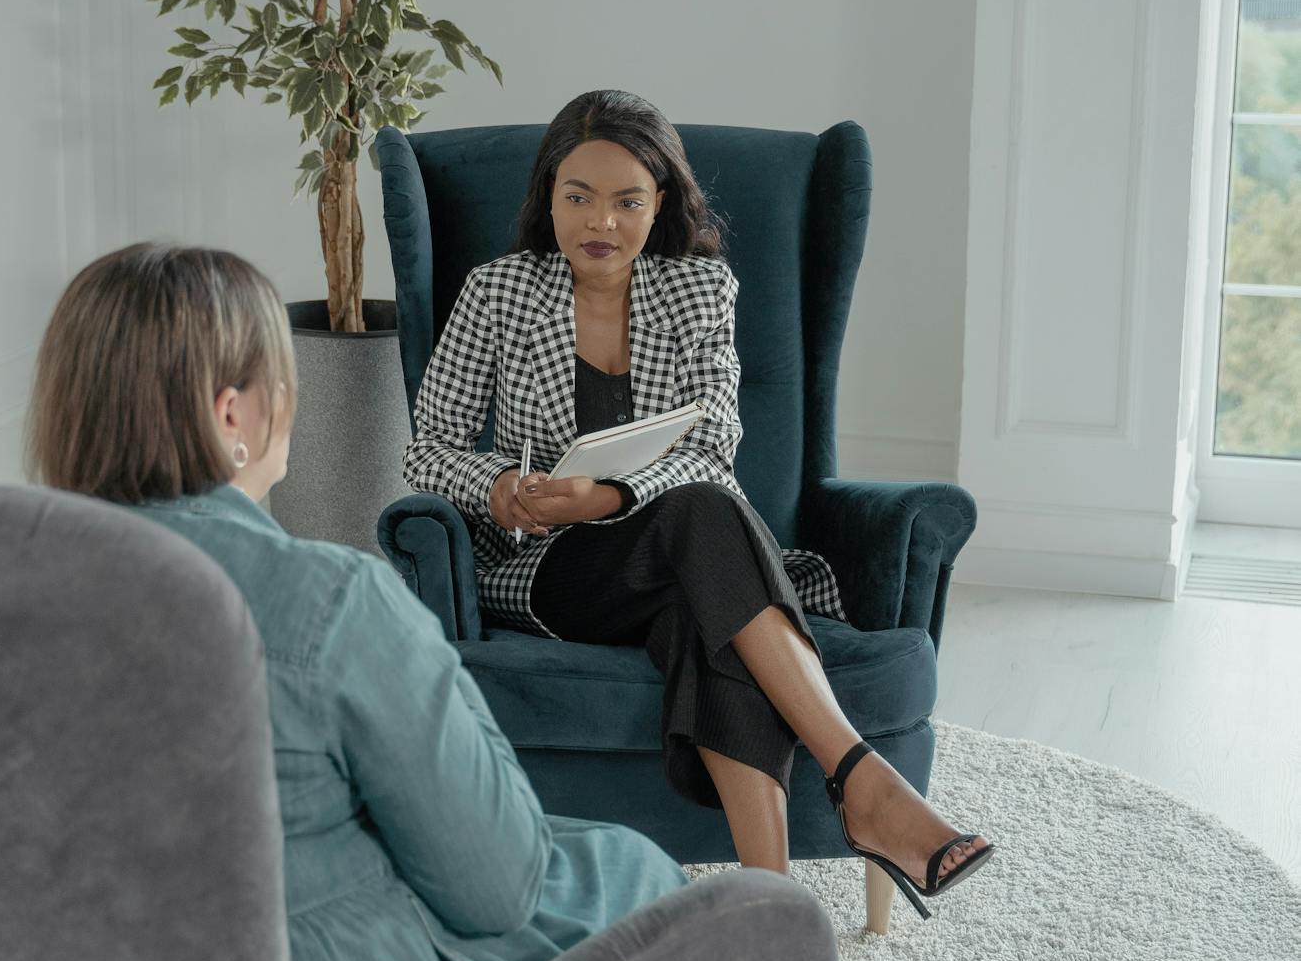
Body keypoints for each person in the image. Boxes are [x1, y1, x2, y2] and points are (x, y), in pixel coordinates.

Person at [26, 238, 886, 961]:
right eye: (281, 378)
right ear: (235, 415)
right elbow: (496, 887)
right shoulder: (323, 596)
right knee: (662, 890)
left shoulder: (6, 601)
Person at [402, 89, 992, 917]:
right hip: (549, 569)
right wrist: (501, 491)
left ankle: (766, 910)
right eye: (577, 197)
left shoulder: (698, 290)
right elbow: (428, 448)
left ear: (661, 205)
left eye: (626, 201)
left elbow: (712, 442)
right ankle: (861, 779)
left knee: (700, 612)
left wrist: (605, 494)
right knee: (703, 516)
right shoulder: (498, 290)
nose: (598, 221)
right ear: (547, 199)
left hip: (680, 560)